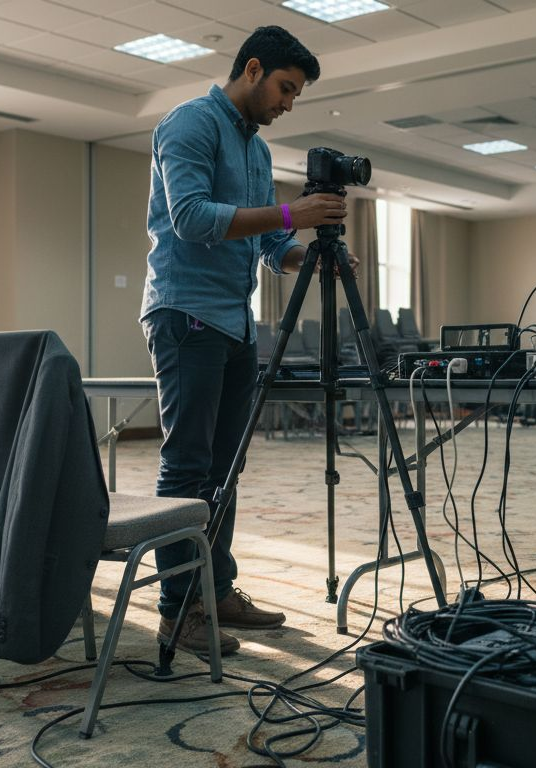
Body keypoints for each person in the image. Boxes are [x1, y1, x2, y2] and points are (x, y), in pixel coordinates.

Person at [140, 26, 350, 656]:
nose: (289, 103)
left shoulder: (257, 153)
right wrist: (293, 213)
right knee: (189, 466)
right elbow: (193, 218)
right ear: (253, 69)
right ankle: (179, 609)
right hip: (185, 316)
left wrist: (307, 258)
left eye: (297, 94)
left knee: (227, 467)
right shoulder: (190, 124)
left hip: (234, 323)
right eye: (286, 88)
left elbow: (264, 246)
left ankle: (217, 589)